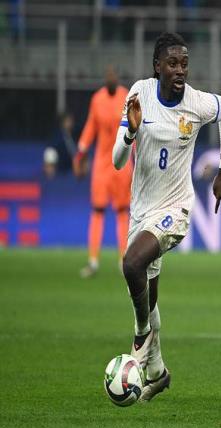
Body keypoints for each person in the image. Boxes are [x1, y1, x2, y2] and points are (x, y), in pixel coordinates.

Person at [112, 32, 221, 402]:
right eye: (173, 63)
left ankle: (140, 334)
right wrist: (130, 133)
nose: (180, 70)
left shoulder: (196, 103)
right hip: (141, 210)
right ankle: (158, 372)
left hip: (175, 210)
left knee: (131, 264)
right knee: (146, 290)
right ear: (157, 66)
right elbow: (117, 161)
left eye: (184, 63)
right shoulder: (140, 94)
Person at [73, 65, 132, 278]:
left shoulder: (127, 97)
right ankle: (93, 261)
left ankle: (124, 260)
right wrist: (81, 152)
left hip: (122, 163)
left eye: (113, 75)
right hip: (102, 164)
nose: (111, 79)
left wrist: (139, 156)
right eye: (108, 76)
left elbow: (135, 128)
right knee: (97, 210)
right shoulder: (97, 99)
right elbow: (91, 127)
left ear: (118, 78)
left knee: (122, 211)